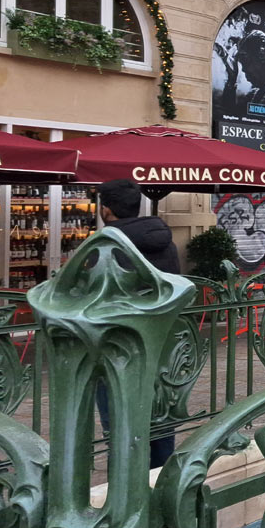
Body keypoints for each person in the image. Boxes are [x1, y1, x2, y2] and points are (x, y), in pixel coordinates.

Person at [95, 179, 181, 469]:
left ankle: (124, 491)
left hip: (118, 348)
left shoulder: (106, 246)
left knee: (118, 423)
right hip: (160, 345)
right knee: (160, 418)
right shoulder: (164, 242)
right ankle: (161, 481)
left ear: (105, 209)